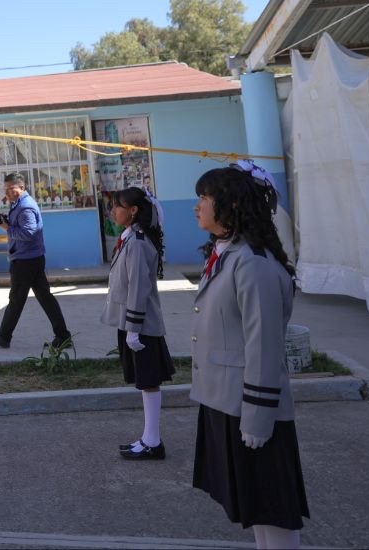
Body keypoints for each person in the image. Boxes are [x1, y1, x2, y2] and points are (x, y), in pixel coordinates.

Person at [191, 163, 308, 549]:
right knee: (255, 506)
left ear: (233, 204)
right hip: (227, 400)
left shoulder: (253, 264)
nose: (197, 206)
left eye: (205, 197)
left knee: (273, 507)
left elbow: (264, 347)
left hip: (251, 407)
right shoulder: (229, 254)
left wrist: (258, 418)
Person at [100, 186, 174, 460]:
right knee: (145, 382)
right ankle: (149, 438)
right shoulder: (130, 237)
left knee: (149, 381)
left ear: (133, 211)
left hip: (142, 326)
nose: (112, 211)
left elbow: (138, 288)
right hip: (133, 323)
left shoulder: (138, 242)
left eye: (117, 206)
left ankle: (153, 442)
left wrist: (133, 328)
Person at [0, 172, 72, 350]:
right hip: (31, 258)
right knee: (45, 298)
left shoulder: (25, 207)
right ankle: (63, 336)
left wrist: (6, 227)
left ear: (21, 187)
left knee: (17, 299)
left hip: (26, 261)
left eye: (11, 189)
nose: (7, 192)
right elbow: (22, 227)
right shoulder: (19, 204)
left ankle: (4, 336)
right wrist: (7, 221)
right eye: (5, 189)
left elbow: (29, 233)